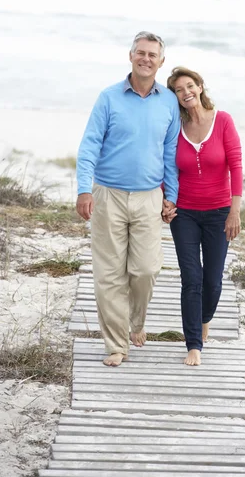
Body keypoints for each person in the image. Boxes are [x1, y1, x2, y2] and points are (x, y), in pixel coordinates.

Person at [76, 31, 180, 367]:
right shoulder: (108, 98)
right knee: (109, 274)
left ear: (160, 62)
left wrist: (171, 195)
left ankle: (137, 323)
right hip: (108, 195)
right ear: (131, 55)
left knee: (146, 269)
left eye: (152, 55)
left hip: (150, 196)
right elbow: (90, 144)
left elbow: (171, 152)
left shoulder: (168, 102)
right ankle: (117, 345)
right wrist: (83, 188)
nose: (146, 59)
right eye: (140, 52)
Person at [165, 66, 242, 366]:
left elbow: (236, 166)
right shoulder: (175, 127)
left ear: (200, 86)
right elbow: (166, 167)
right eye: (179, 90)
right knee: (191, 278)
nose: (186, 93)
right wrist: (166, 198)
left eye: (189, 86)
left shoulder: (222, 121)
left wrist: (234, 211)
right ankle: (194, 343)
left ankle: (204, 319)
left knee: (213, 281)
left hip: (219, 212)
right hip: (184, 213)